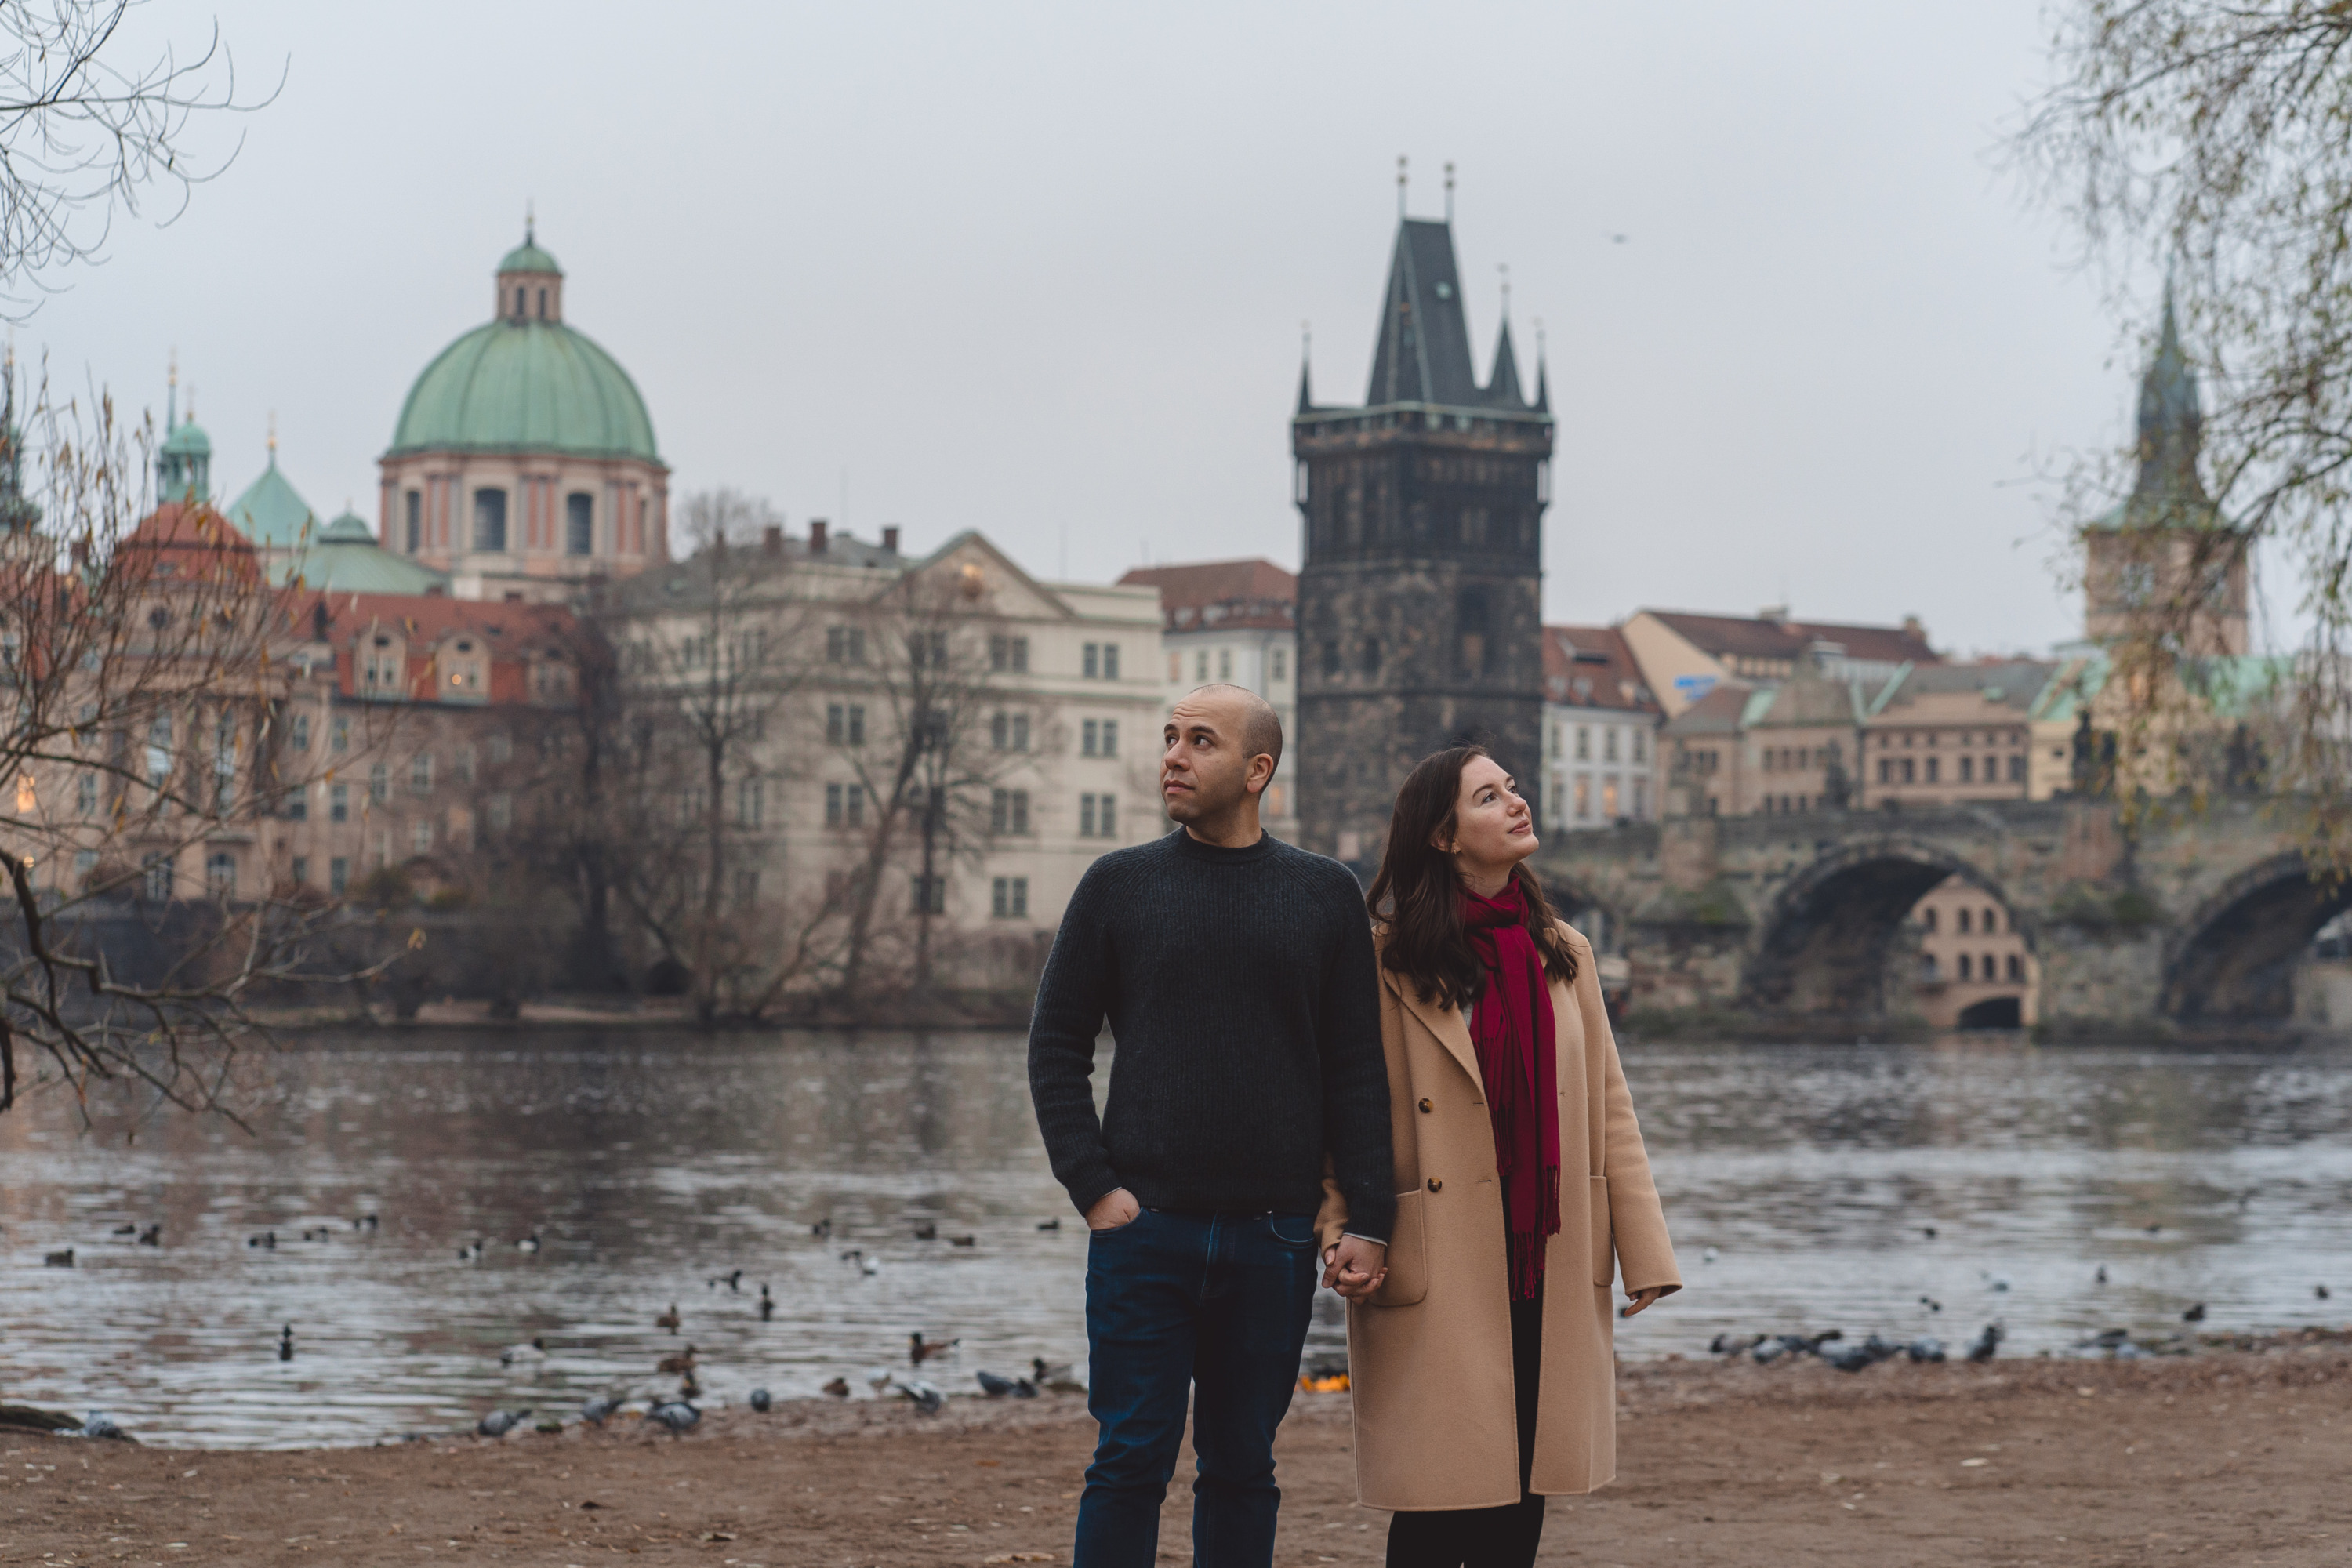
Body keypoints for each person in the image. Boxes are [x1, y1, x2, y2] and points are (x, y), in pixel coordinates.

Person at [1029, 683, 1395, 1568]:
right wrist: (1095, 1188)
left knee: (1242, 1466)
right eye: (1169, 737)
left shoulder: (1323, 893)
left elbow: (1356, 1067)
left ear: (1257, 768)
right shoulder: (1119, 884)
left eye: (1201, 740)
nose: (1174, 756)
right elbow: (1055, 1044)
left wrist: (1372, 1216)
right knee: (1128, 1460)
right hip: (1143, 1227)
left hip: (1272, 1235)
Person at [1314, 745, 1680, 1568]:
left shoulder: (1565, 951)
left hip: (1546, 1247)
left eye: (1513, 787)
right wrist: (1340, 1222)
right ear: (1443, 835)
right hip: (1435, 1248)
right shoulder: (1384, 958)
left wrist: (1644, 1248)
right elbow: (1341, 1108)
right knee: (1439, 1501)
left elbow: (1610, 1104)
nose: (1517, 802)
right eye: (1489, 795)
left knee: (1523, 1494)